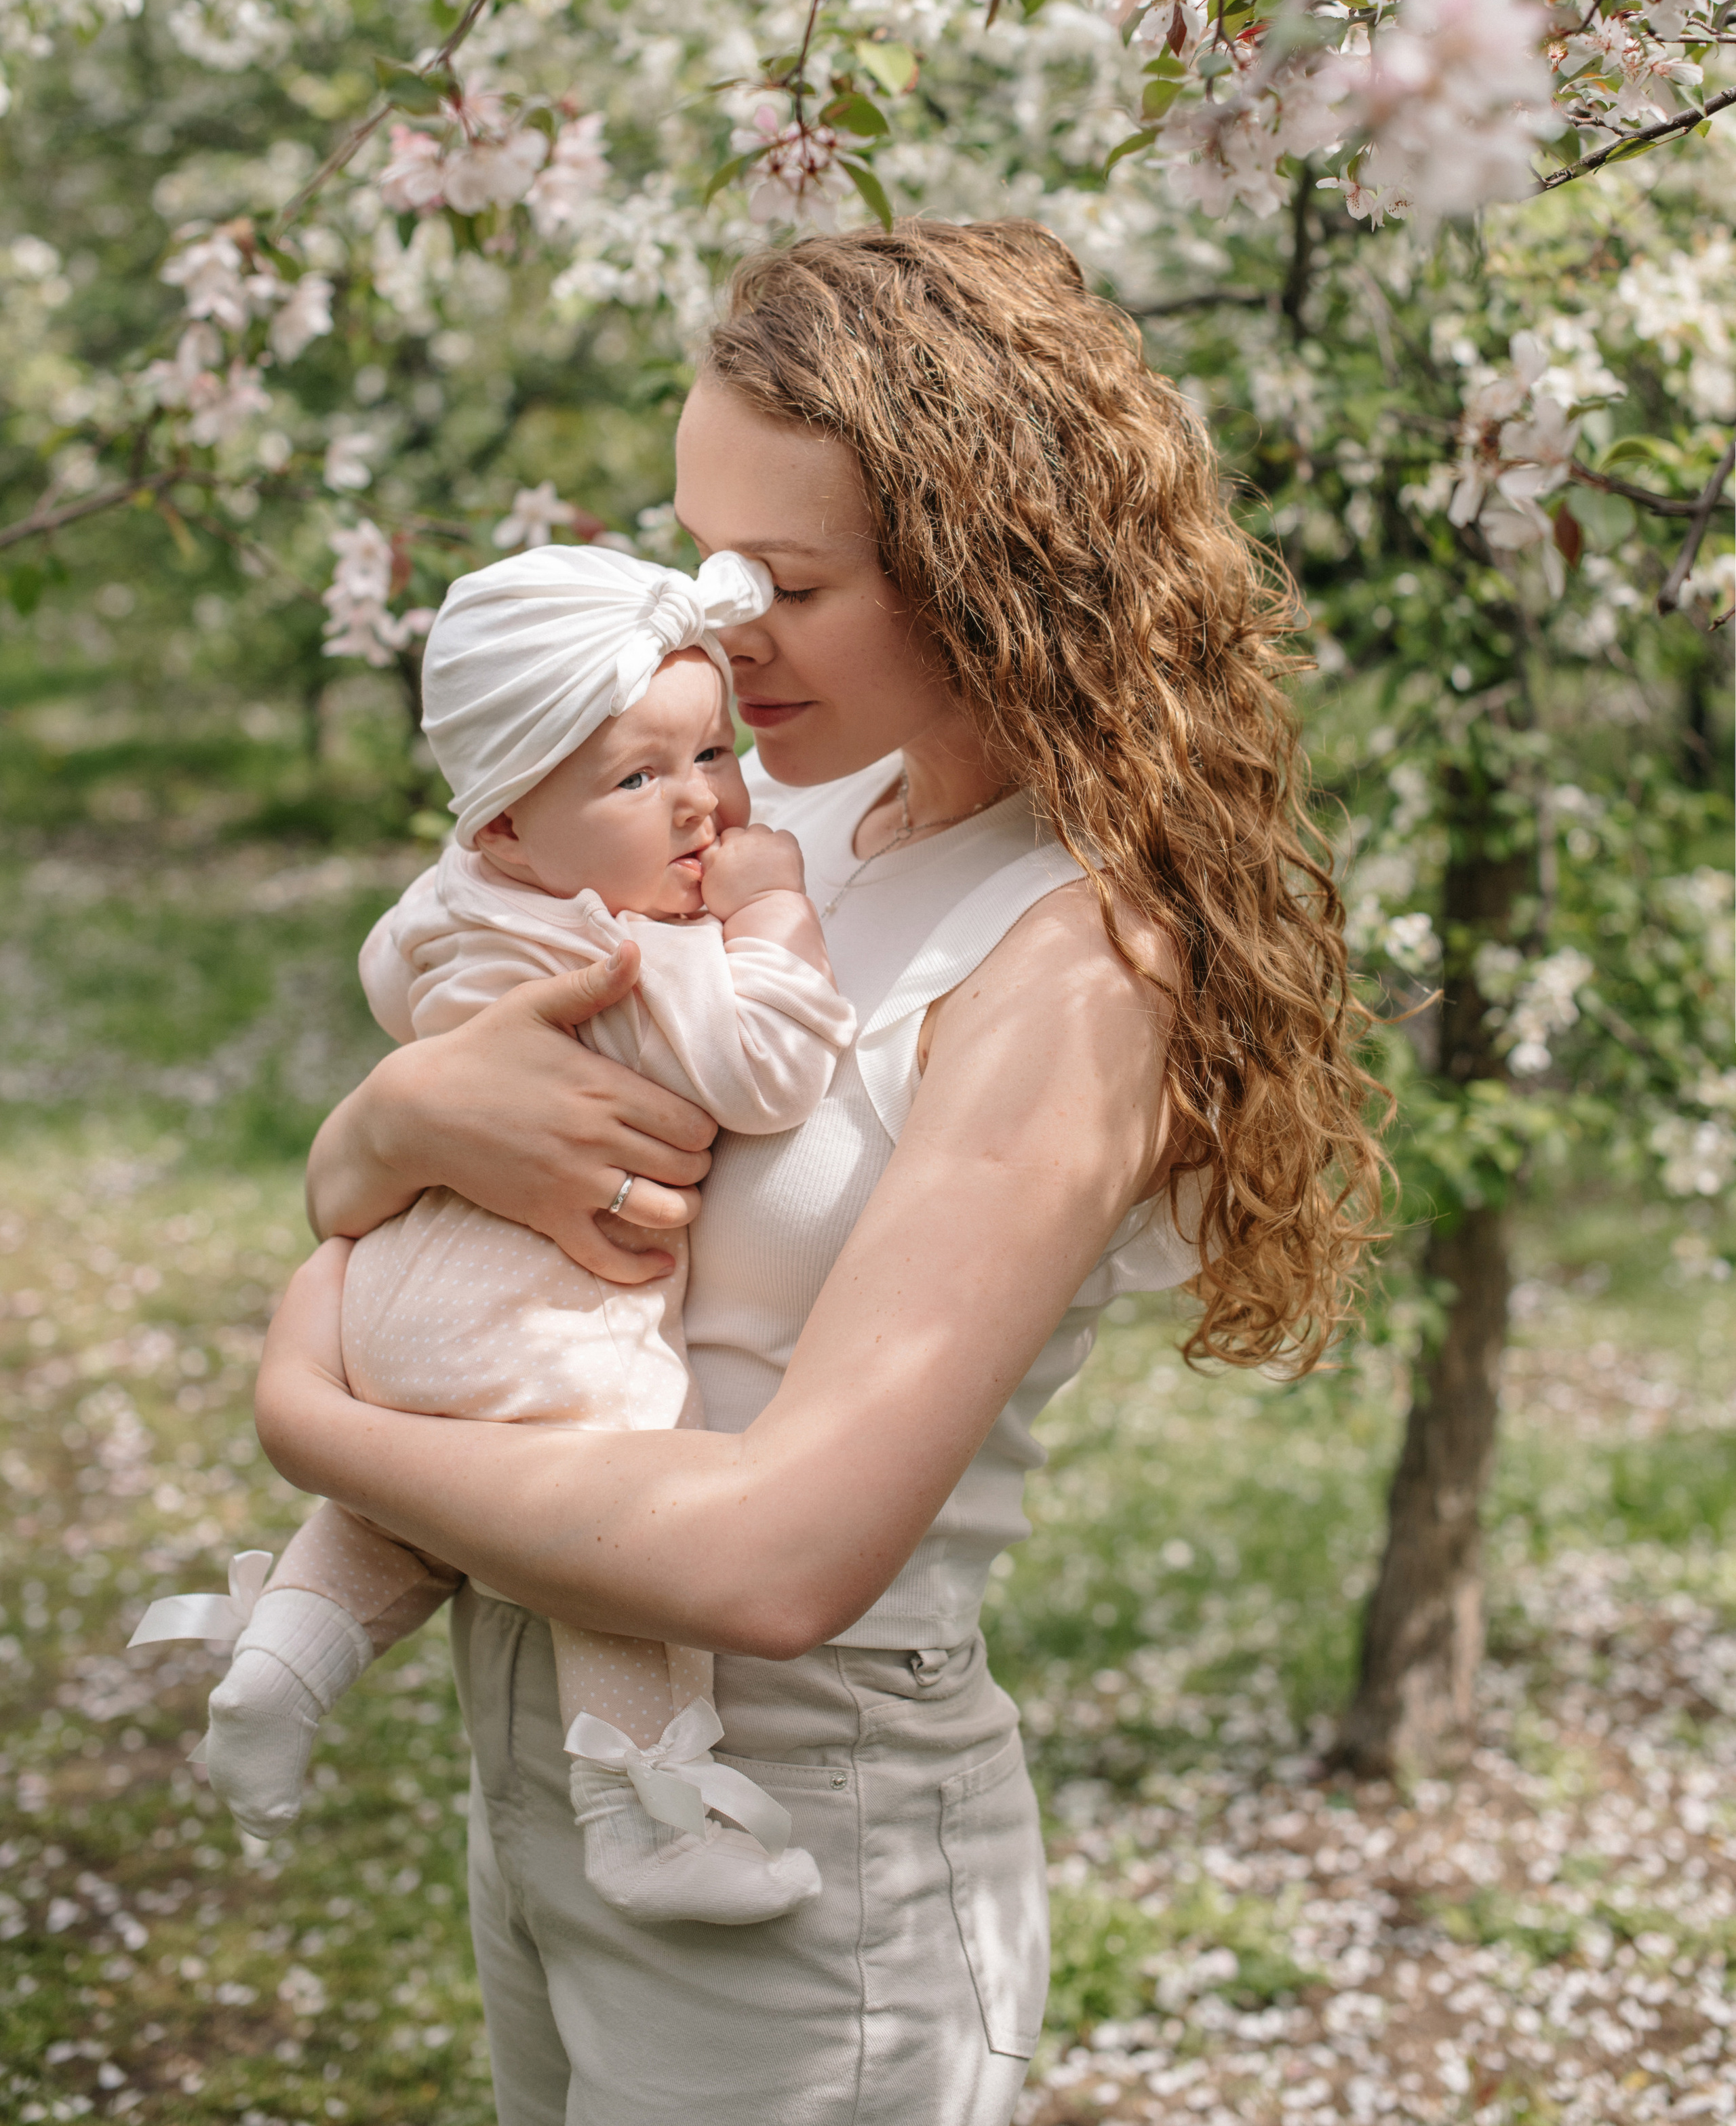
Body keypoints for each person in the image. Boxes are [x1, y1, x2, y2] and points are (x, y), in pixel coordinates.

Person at [256, 219, 1383, 2126]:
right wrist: (377, 1133)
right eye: (702, 564)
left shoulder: (1072, 964)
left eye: (786, 581)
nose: (719, 632)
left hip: (804, 1858)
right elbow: (448, 1157)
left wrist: (313, 1421)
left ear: (987, 568)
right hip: (560, 1778)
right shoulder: (766, 811)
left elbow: (780, 1559)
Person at [174, 545, 851, 1924]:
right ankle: (641, 1810)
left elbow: (389, 974)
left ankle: (276, 1671)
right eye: (636, 780)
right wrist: (773, 915)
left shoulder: (460, 902)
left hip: (396, 1292)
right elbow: (773, 1070)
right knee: (621, 1505)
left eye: (709, 752)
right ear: (507, 832)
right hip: (544, 1319)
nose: (701, 804)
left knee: (401, 1514)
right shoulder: (636, 955)